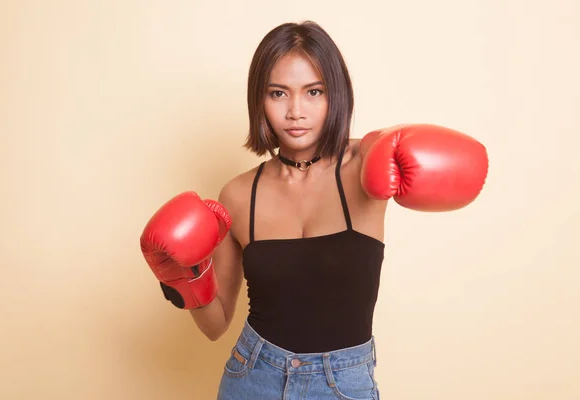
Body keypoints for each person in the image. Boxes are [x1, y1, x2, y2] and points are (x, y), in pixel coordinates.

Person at [140, 21, 488, 399]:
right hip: (253, 376)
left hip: (343, 383)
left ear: (335, 95)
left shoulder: (366, 163)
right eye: (278, 93)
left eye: (313, 92)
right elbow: (215, 325)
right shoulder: (239, 194)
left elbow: (431, 155)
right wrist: (182, 276)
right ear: (260, 99)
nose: (295, 111)